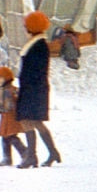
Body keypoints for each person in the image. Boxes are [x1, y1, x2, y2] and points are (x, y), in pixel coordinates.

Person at [16, 11, 61, 169]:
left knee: (28, 120)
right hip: (35, 88)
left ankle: (32, 156)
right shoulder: (38, 44)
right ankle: (51, 152)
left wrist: (25, 85)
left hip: (33, 89)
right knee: (34, 121)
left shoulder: (37, 46)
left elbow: (34, 70)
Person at [0, 66, 27, 166]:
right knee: (5, 138)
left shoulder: (9, 91)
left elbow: (10, 104)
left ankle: (24, 152)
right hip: (6, 118)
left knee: (11, 137)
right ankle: (7, 158)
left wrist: (0, 107)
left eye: (1, 79)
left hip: (11, 118)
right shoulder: (2, 91)